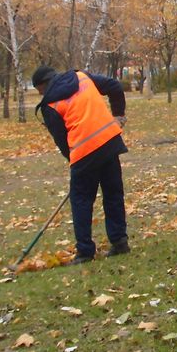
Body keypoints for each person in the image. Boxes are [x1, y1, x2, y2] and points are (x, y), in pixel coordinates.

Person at [32, 66, 130, 264]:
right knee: (113, 193)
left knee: (81, 201)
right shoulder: (82, 77)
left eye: (39, 90)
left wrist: (77, 164)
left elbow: (62, 140)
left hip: (84, 152)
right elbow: (114, 86)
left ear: (42, 85)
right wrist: (118, 116)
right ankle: (120, 242)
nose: (40, 94)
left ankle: (85, 251)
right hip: (109, 141)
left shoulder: (49, 104)